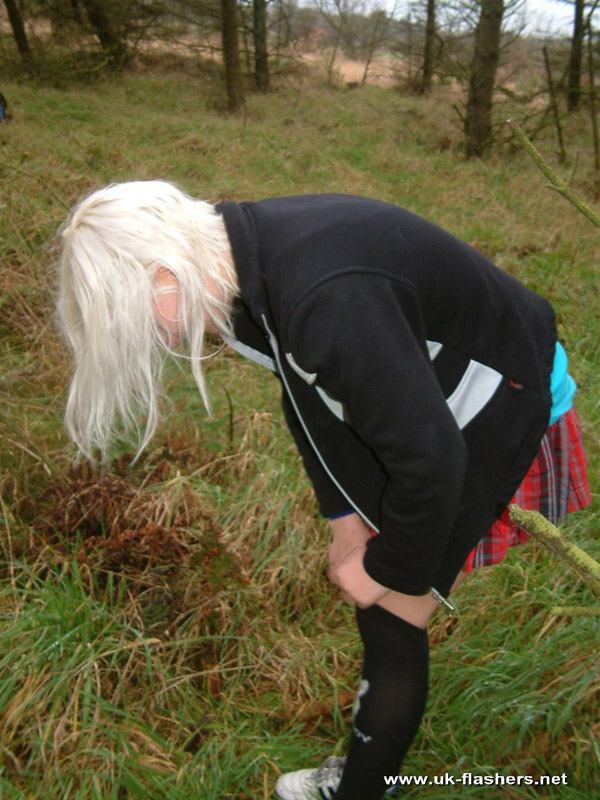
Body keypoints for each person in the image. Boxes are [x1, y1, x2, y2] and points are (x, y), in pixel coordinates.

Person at [57, 181, 591, 800]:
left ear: (163, 273)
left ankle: (361, 788)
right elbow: (309, 392)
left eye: (136, 314)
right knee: (386, 599)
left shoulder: (323, 295)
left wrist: (388, 569)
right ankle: (369, 774)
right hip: (425, 402)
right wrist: (344, 517)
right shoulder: (240, 267)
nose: (153, 339)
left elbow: (433, 460)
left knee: (392, 615)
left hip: (503, 392)